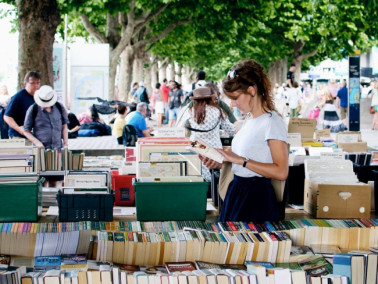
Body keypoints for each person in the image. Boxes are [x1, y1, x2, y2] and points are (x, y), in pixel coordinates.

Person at [201, 59, 288, 222]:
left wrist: (240, 160)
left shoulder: (272, 122)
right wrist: (220, 161)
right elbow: (245, 162)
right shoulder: (250, 120)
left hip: (255, 197)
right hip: (238, 191)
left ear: (252, 90)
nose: (232, 105)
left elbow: (281, 172)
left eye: (235, 98)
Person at [177, 86, 235, 181]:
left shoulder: (190, 111)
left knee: (198, 178)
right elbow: (231, 129)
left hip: (197, 148)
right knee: (214, 179)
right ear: (210, 98)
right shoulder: (218, 111)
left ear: (195, 99)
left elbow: (179, 129)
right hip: (215, 151)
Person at [4, 71, 41, 138]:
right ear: (26, 83)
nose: (36, 86)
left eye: (38, 83)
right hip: (18, 136)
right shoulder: (18, 97)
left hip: (34, 136)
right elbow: (7, 117)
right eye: (32, 83)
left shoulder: (39, 97)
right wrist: (19, 129)